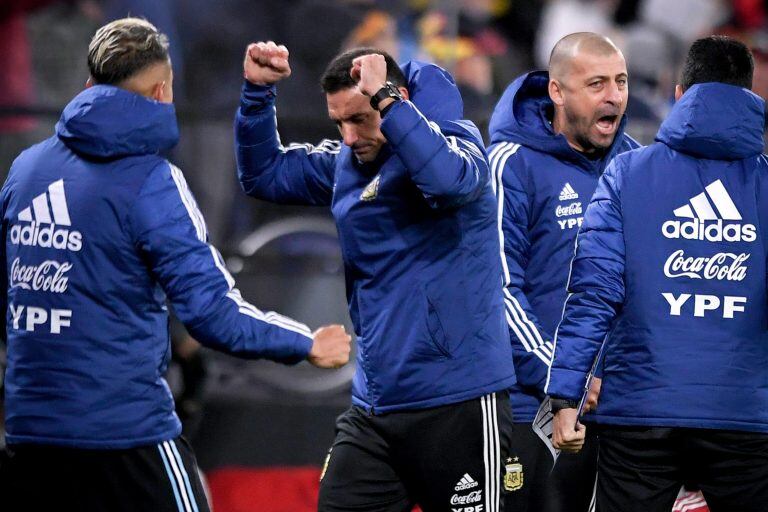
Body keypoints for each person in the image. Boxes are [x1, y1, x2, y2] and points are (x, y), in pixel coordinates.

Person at [0, 18, 352, 512]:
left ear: (88, 85)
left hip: (29, 438)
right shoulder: (152, 181)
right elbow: (213, 316)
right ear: (164, 90)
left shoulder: (26, 168)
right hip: (127, 437)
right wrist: (305, 343)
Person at [236, 41, 517, 511]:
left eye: (360, 119)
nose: (348, 136)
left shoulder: (459, 142)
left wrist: (387, 101)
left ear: (395, 100)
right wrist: (256, 96)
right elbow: (264, 175)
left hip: (459, 404)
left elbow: (449, 183)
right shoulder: (347, 162)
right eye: (338, 122)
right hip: (375, 407)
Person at [547, 35, 768, 512]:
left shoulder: (626, 173)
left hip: (641, 413)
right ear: (752, 97)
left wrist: (566, 396)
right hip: (744, 415)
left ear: (679, 94)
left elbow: (591, 293)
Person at [487, 32, 639, 512]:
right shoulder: (511, 166)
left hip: (621, 411)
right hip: (533, 407)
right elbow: (499, 292)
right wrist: (564, 381)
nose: (613, 95)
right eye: (596, 83)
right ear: (557, 91)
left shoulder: (637, 165)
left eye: (620, 81)